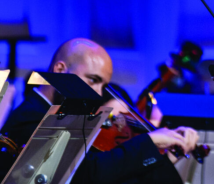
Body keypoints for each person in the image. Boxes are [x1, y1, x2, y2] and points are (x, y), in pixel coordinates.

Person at [0, 38, 200, 184]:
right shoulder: (29, 118)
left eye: (102, 85)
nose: (97, 93)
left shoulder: (67, 114)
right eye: (93, 80)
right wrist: (150, 141)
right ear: (60, 71)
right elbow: (88, 172)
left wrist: (160, 157)